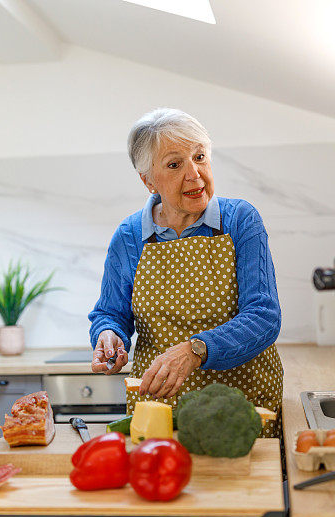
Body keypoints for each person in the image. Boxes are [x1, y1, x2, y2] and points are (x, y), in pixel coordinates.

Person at [88, 108, 283, 436]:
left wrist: (196, 349)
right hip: (160, 413)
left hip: (242, 408)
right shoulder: (129, 235)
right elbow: (110, 313)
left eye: (200, 157)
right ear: (149, 180)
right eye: (175, 164)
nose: (195, 175)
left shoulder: (240, 221)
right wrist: (109, 336)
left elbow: (264, 317)